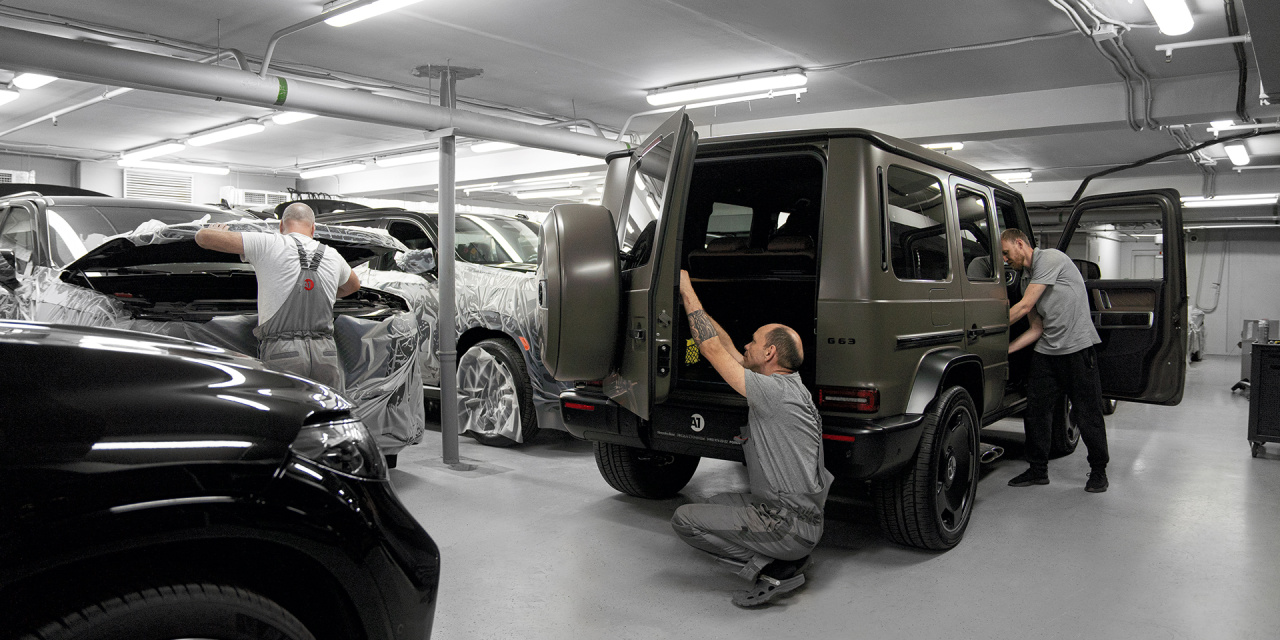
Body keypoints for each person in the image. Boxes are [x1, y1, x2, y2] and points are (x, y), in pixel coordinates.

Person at [670, 270, 833, 607]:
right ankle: (782, 554)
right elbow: (726, 344)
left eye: (755, 341)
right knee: (703, 507)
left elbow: (713, 350)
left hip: (787, 524)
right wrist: (693, 301)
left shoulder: (774, 393)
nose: (747, 344)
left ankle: (777, 564)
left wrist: (686, 288)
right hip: (783, 513)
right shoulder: (784, 386)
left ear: (770, 353)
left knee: (684, 521)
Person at [195, 203, 360, 394]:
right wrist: (326, 293)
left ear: (281, 225)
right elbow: (353, 286)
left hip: (284, 353)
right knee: (326, 416)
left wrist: (216, 231)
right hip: (326, 353)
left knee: (286, 415)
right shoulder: (332, 255)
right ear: (313, 228)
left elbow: (202, 238)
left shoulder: (269, 243)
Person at [1001, 228, 1109, 493]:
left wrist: (986, 327)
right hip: (1047, 353)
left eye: (1006, 252)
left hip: (1077, 350)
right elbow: (1036, 329)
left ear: (1019, 243)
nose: (1005, 259)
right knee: (1036, 412)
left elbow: (1025, 306)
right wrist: (1004, 350)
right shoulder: (1027, 281)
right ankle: (1038, 470)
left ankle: (1098, 472)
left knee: (1088, 414)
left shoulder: (1050, 258)